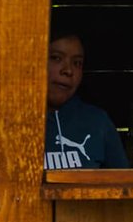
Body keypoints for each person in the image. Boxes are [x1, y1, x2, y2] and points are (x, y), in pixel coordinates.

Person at [45, 28, 128, 170]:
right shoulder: (7, 122)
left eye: (77, 63)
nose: (68, 70)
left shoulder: (97, 122)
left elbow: (125, 187)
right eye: (56, 58)